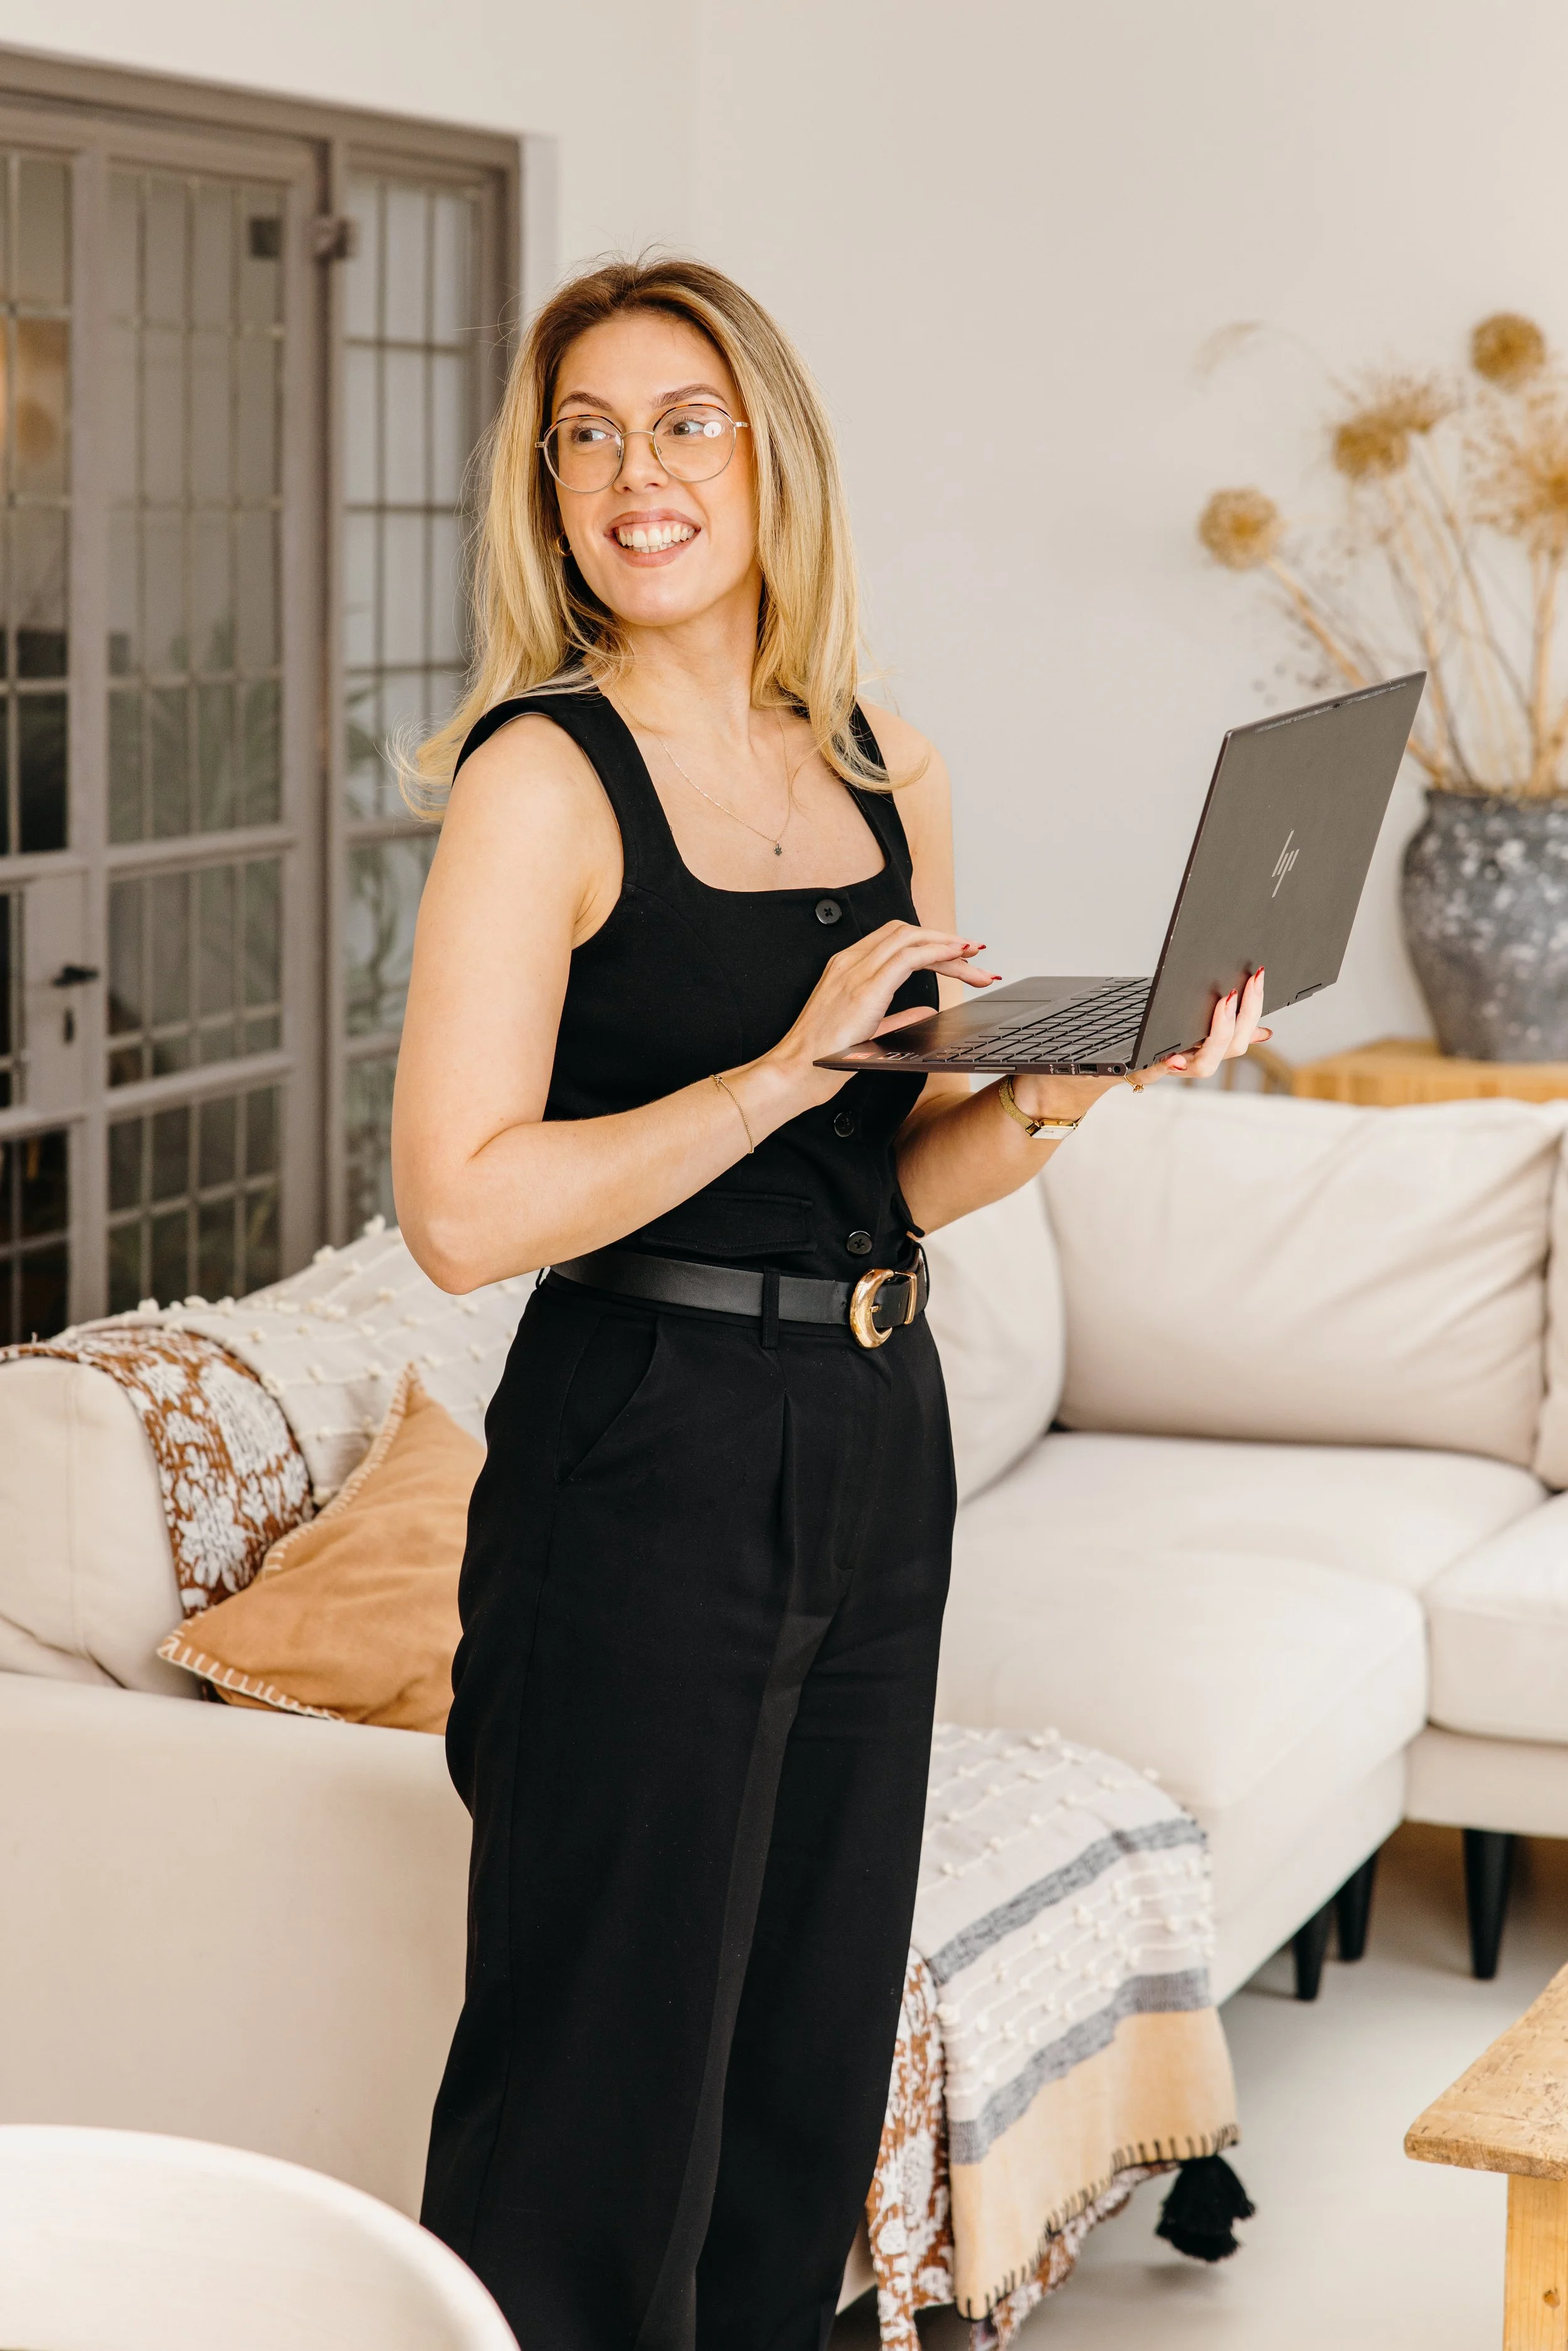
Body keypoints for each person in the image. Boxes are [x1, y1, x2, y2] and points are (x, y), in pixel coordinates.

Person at [393, 253, 1267, 2351]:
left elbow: (887, 1173)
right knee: (592, 2111)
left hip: (876, 1440)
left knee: (796, 2085)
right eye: (584, 431)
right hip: (641, 1451)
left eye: (681, 419)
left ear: (773, 455)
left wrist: (1063, 1087)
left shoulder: (888, 762)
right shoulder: (540, 780)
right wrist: (773, 1064)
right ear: (545, 487)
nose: (634, 470)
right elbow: (456, 1207)